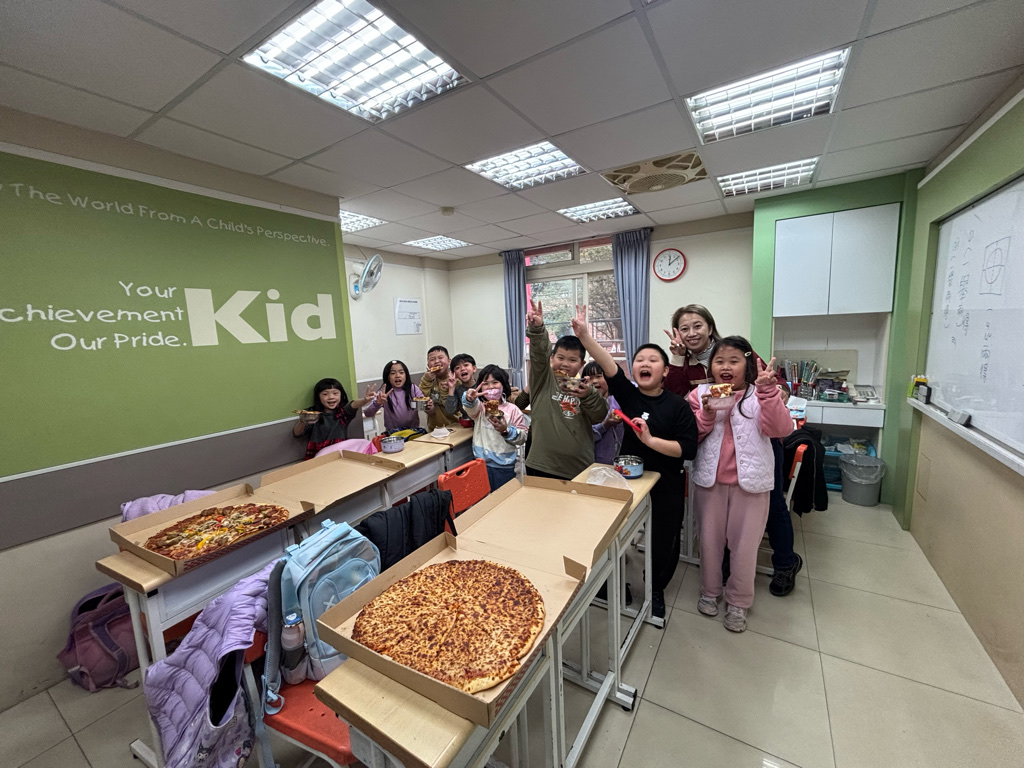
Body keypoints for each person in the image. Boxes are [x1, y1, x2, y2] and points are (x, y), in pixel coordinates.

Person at [664, 304, 804, 598]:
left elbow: (773, 381)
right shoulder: (685, 364)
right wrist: (676, 359)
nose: (692, 333)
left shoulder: (736, 351)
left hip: (757, 437)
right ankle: (724, 572)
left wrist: (775, 391)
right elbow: (675, 399)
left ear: (710, 327)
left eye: (697, 325)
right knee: (719, 521)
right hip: (716, 445)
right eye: (684, 328)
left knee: (772, 505)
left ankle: (785, 563)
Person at [572, 306, 697, 620]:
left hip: (666, 481)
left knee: (664, 540)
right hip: (628, 479)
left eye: (653, 360)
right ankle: (610, 581)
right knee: (616, 532)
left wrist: (651, 441)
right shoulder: (629, 396)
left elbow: (688, 449)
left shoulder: (678, 406)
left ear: (665, 371)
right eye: (640, 360)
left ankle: (655, 589)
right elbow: (608, 364)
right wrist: (585, 336)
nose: (645, 364)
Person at [687, 337, 794, 632]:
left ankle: (739, 601)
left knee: (745, 548)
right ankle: (710, 591)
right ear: (711, 366)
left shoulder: (759, 394)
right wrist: (707, 414)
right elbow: (690, 436)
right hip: (710, 483)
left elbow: (781, 429)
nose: (726, 367)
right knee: (709, 543)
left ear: (746, 366)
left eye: (734, 361)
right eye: (719, 361)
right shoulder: (700, 394)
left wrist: (769, 392)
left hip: (752, 485)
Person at [524, 299, 608, 480]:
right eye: (560, 358)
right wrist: (537, 329)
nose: (565, 364)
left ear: (582, 364)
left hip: (578, 467)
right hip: (541, 464)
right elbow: (538, 354)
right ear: (551, 358)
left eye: (572, 360)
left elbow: (600, 416)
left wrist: (588, 395)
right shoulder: (543, 380)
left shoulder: (584, 388)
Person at [462, 364, 529, 491]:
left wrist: (506, 431)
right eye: (486, 383)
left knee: (502, 498)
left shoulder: (512, 410)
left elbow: (523, 437)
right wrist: (469, 397)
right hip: (480, 464)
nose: (491, 387)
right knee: (484, 498)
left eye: (495, 382)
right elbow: (470, 406)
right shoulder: (480, 408)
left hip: (504, 466)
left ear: (503, 385)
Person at [293, 377, 374, 459]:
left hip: (339, 454)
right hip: (318, 456)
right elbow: (297, 433)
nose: (331, 397)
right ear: (318, 396)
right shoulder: (314, 413)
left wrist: (364, 400)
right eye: (325, 394)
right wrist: (302, 420)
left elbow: (353, 405)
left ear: (341, 395)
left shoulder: (342, 413)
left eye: (335, 393)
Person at [581, 361, 624, 466]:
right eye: (590, 378)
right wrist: (605, 425)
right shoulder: (581, 405)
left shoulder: (619, 399)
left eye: (599, 376)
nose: (594, 381)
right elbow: (585, 437)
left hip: (621, 462)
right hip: (594, 463)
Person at [364, 360, 423, 432]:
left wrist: (428, 405)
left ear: (406, 375)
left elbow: (426, 408)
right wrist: (377, 403)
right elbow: (367, 413)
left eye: (401, 372)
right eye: (393, 373)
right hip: (393, 434)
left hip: (413, 432)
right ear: (387, 376)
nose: (397, 375)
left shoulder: (412, 388)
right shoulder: (384, 393)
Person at [419, 345, 459, 430]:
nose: (437, 361)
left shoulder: (456, 380)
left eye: (440, 358)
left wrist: (448, 390)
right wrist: (428, 409)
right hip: (434, 429)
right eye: (432, 359)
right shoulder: (426, 380)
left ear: (449, 361)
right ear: (428, 365)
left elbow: (454, 408)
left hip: (456, 427)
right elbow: (419, 405)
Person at [445, 353, 478, 420]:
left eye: (466, 365)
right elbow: (450, 411)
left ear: (474, 368)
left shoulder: (482, 386)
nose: (462, 369)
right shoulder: (457, 390)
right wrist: (451, 388)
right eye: (457, 368)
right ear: (454, 374)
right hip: (466, 423)